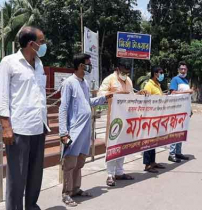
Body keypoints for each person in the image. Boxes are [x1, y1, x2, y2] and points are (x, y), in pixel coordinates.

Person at [0, 27, 49, 210]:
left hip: (38, 127)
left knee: (35, 176)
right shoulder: (9, 63)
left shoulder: (39, 64)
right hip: (18, 129)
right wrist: (6, 126)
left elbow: (40, 95)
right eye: (41, 42)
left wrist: (45, 123)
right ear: (31, 44)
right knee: (17, 179)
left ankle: (31, 206)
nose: (44, 45)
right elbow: (2, 97)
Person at [59, 53, 113, 207]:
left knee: (79, 162)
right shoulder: (69, 83)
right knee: (69, 163)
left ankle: (75, 189)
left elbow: (87, 102)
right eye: (88, 64)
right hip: (74, 131)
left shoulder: (85, 83)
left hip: (85, 131)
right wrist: (63, 132)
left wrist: (104, 98)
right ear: (81, 65)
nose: (90, 66)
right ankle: (66, 193)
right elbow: (63, 109)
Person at [98, 58, 148, 186]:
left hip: (126, 117)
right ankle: (110, 174)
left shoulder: (128, 81)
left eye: (127, 73)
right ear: (117, 69)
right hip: (114, 118)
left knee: (123, 145)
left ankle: (119, 172)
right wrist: (115, 93)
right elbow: (100, 94)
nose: (126, 75)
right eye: (124, 72)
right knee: (112, 145)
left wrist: (140, 94)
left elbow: (131, 96)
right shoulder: (109, 79)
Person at [142, 67, 167, 173]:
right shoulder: (149, 85)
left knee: (154, 141)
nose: (162, 75)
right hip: (150, 117)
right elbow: (146, 100)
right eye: (161, 73)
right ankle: (147, 164)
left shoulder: (158, 85)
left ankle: (153, 162)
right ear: (155, 73)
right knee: (148, 141)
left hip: (157, 117)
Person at [168, 61, 193, 163]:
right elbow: (173, 92)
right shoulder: (175, 79)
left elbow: (187, 97)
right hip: (176, 110)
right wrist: (187, 91)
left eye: (185, 69)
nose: (183, 71)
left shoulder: (186, 81)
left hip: (185, 110)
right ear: (178, 70)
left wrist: (190, 109)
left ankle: (178, 152)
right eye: (181, 69)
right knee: (175, 131)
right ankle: (172, 153)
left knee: (182, 131)